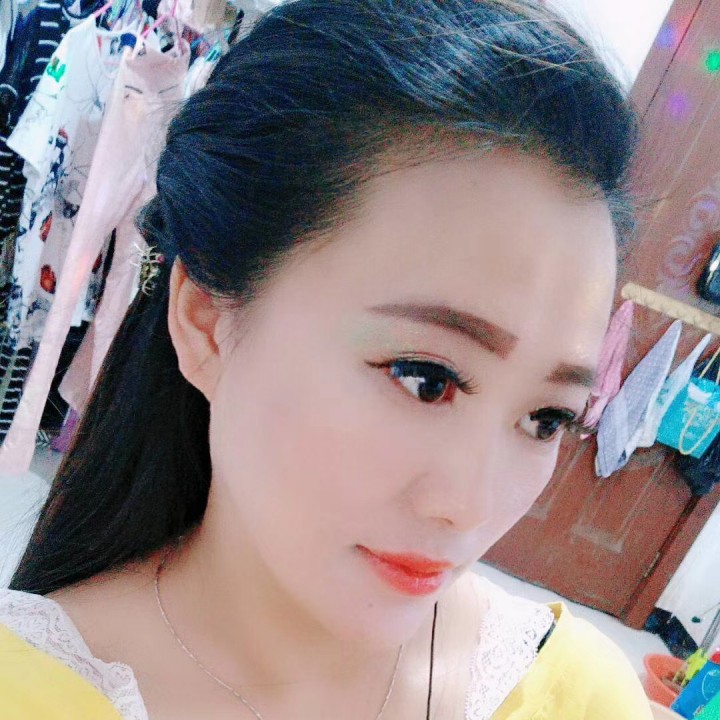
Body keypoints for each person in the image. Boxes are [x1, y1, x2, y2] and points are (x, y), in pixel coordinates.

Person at [0, 0, 652, 718]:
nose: (471, 506)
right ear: (207, 323)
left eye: (546, 418)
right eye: (425, 379)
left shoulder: (578, 695)